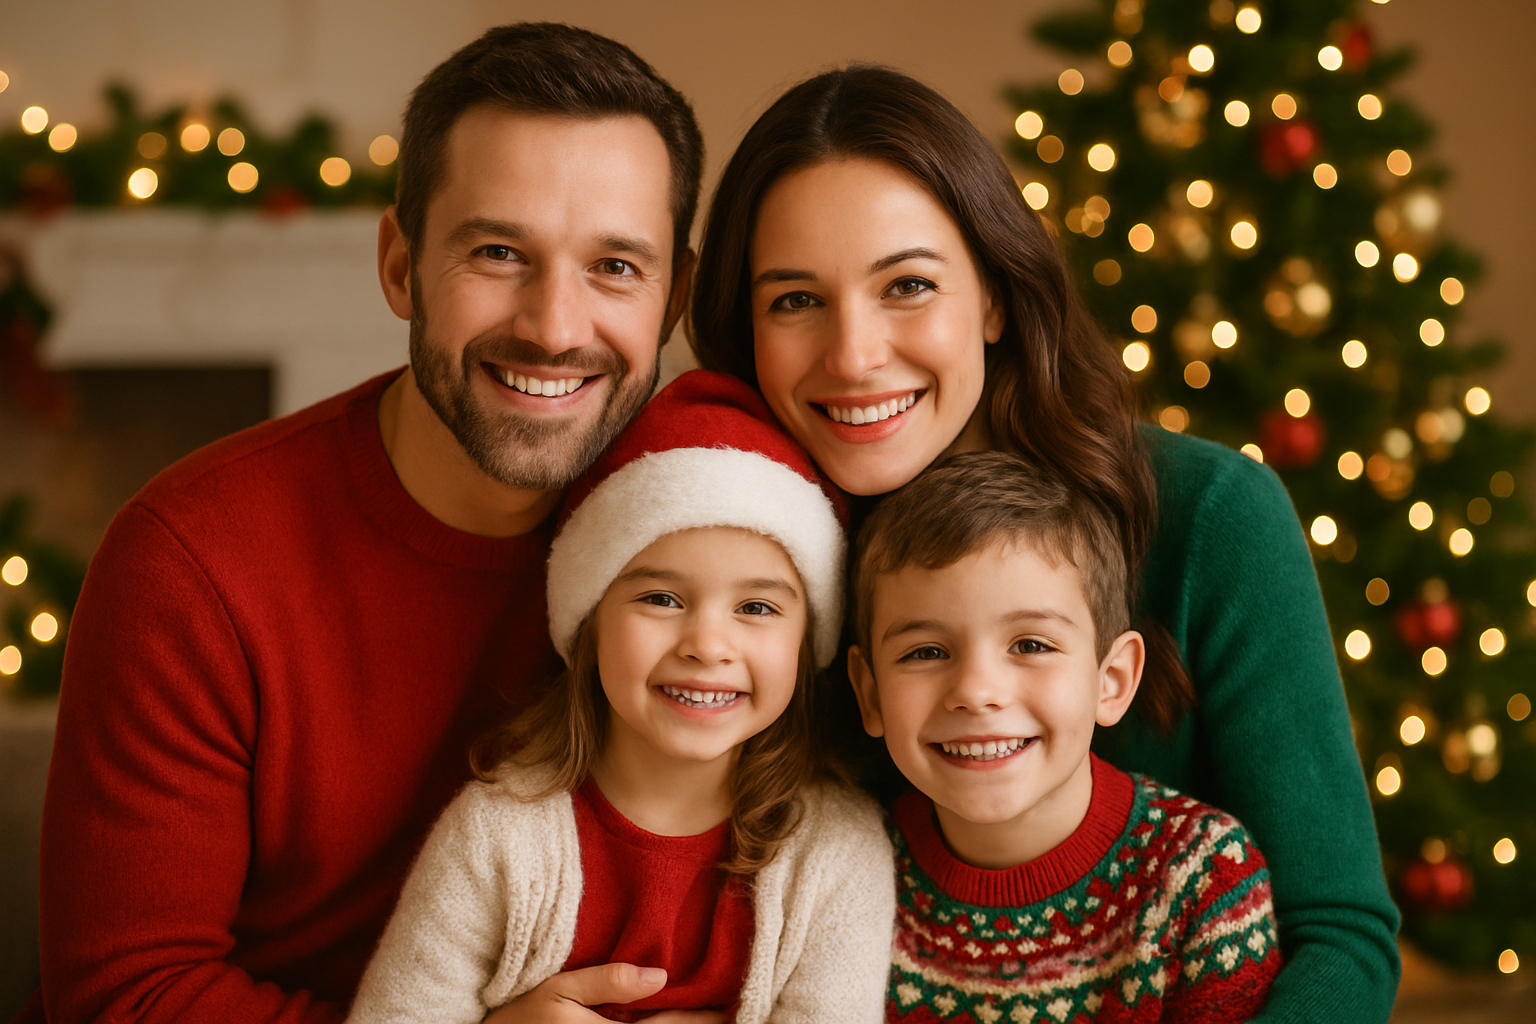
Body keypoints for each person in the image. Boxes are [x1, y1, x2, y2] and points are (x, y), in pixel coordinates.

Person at [689, 65, 1400, 1023]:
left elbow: (1340, 938)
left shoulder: (1211, 514)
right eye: (794, 300)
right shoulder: (731, 554)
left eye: (908, 285)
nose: (853, 354)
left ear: (993, 294)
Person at [27, 24, 703, 1024]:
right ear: (399, 265)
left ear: (674, 297)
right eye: (498, 252)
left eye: (615, 266)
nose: (555, 326)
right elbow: (122, 997)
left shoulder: (711, 521)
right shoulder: (191, 559)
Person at [347, 369, 894, 1024]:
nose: (707, 645)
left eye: (756, 607)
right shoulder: (495, 836)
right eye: (661, 598)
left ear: (807, 644)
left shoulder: (836, 853)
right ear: (590, 622)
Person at [848, 449, 1281, 1022]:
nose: (976, 692)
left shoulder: (1201, 880)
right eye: (926, 652)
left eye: (1031, 645)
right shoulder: (846, 874)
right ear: (871, 694)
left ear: (1112, 680)